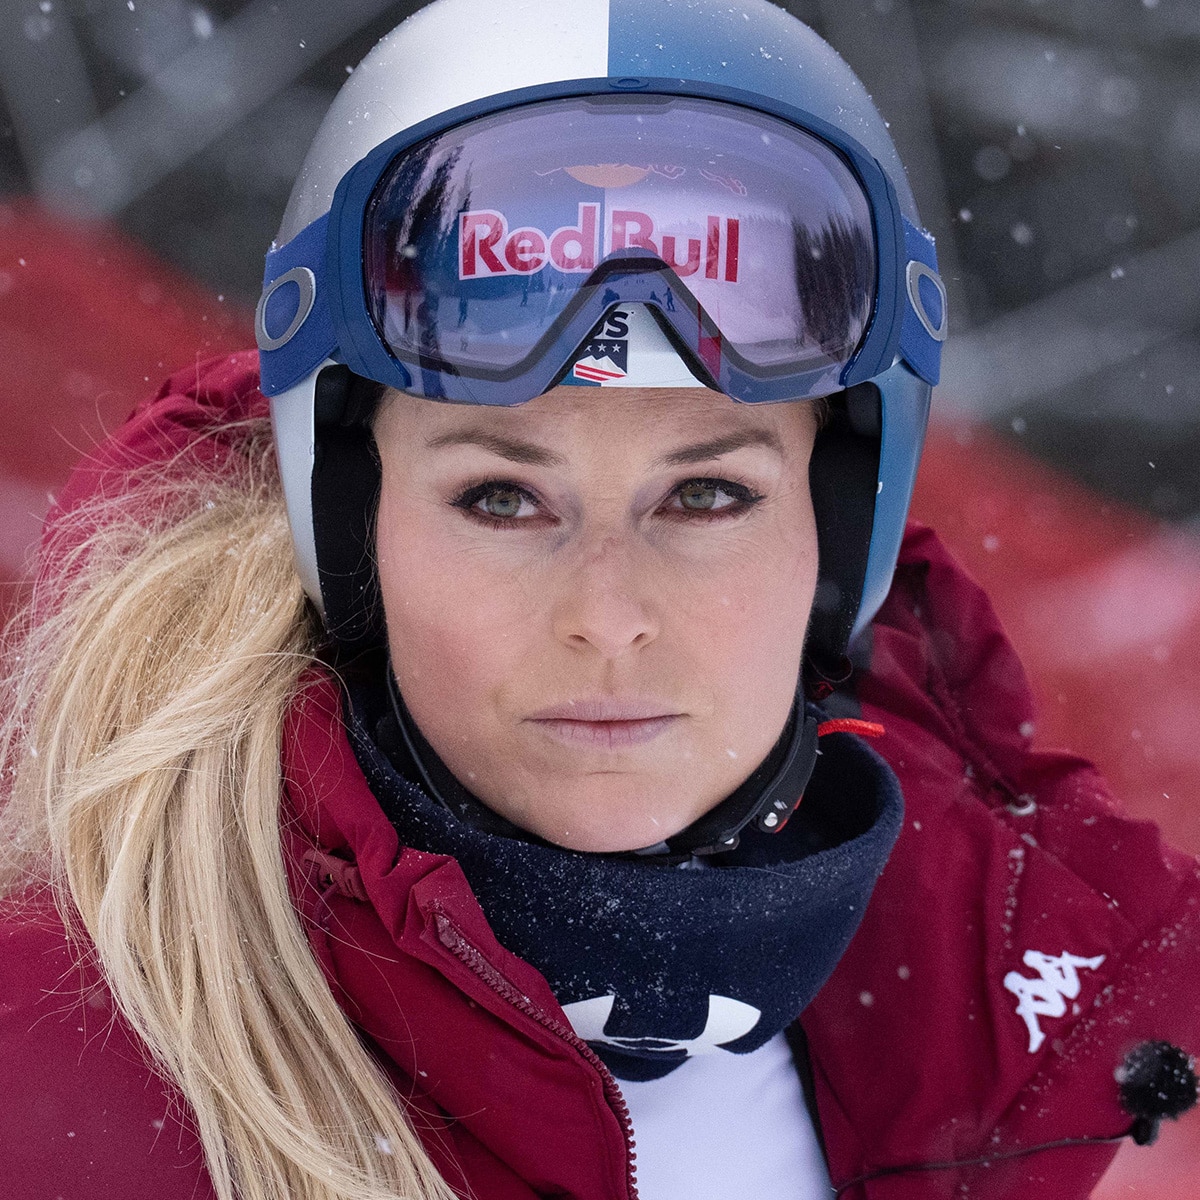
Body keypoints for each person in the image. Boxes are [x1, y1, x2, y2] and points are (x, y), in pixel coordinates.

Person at [1, 1, 1196, 1197]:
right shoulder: (46, 1091)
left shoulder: (1061, 1063)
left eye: (710, 496)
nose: (608, 615)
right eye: (502, 501)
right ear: (352, 528)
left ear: (839, 535)